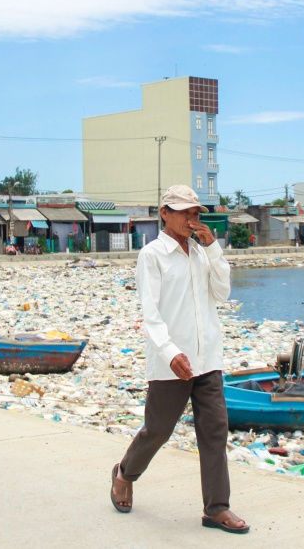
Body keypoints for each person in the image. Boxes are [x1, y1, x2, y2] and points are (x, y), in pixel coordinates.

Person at [111, 185, 249, 534]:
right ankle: (125, 473)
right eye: (185, 212)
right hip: (172, 362)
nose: (192, 219)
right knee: (158, 430)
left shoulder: (202, 254)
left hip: (208, 360)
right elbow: (151, 313)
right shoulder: (153, 255)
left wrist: (214, 249)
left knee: (215, 433)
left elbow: (222, 292)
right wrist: (170, 352)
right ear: (164, 213)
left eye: (196, 213)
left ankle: (216, 508)